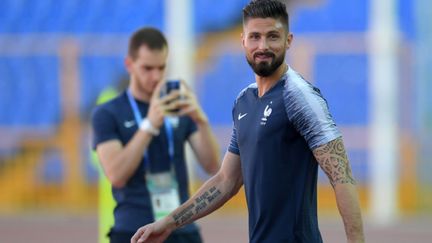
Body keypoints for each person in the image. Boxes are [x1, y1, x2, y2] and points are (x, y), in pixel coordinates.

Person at [131, 1, 365, 243]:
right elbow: (226, 180)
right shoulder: (244, 101)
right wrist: (169, 223)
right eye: (255, 37)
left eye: (272, 36)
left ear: (288, 40)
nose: (262, 46)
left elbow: (342, 176)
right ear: (243, 40)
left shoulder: (300, 97)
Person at [91, 27, 220, 243]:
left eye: (161, 68)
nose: (156, 76)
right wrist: (149, 125)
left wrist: (200, 120)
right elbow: (116, 174)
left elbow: (212, 165)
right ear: (129, 65)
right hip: (133, 231)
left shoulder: (176, 105)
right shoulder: (108, 113)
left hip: (182, 229)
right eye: (147, 68)